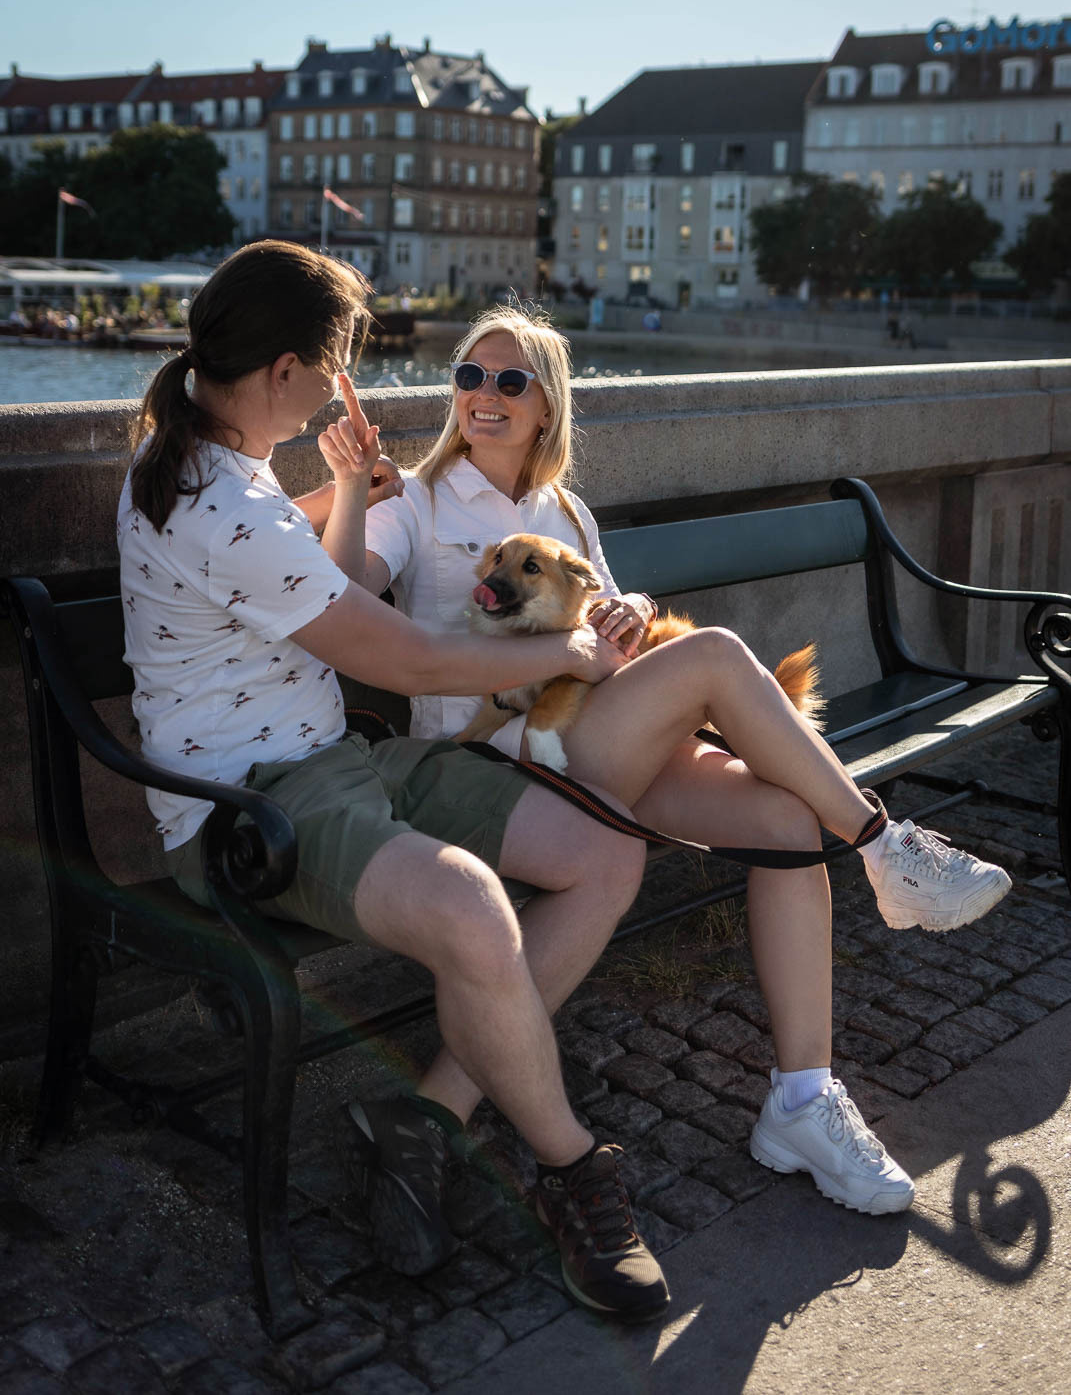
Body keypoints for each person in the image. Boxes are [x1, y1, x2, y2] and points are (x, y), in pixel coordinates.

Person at [348, 304, 1013, 1218]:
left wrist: (628, 611)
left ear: (547, 406)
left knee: (786, 822)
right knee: (715, 657)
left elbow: (614, 639)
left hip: (595, 734)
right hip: (494, 757)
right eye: (468, 376)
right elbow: (345, 586)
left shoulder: (566, 511)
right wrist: (347, 491)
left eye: (508, 380)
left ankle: (802, 1101)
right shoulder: (415, 500)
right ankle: (882, 845)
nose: (483, 396)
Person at [118, 243, 670, 1323]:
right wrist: (564, 652)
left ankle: (427, 1117)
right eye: (333, 369)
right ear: (285, 370)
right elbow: (404, 660)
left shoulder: (206, 457)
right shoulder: (221, 501)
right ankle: (571, 1171)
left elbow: (296, 571)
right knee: (471, 905)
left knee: (606, 850)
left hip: (337, 761)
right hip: (249, 808)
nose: (338, 392)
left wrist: (339, 490)